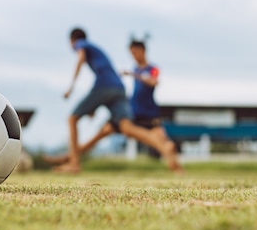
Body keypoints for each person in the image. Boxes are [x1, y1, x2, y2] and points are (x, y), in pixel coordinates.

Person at [46, 38, 183, 173]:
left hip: (149, 113)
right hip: (133, 110)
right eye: (131, 54)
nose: (134, 57)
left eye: (135, 53)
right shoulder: (135, 68)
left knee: (163, 142)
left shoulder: (152, 69)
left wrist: (134, 75)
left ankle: (176, 166)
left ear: (142, 51)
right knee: (103, 132)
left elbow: (154, 81)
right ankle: (70, 157)